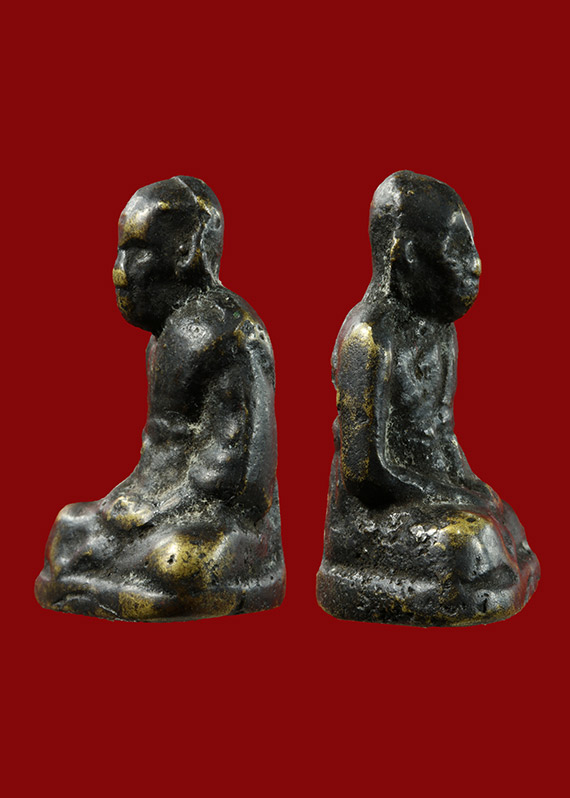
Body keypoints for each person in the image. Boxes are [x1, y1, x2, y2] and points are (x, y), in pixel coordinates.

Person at [36, 177, 285, 621]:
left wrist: (155, 510)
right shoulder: (162, 340)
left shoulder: (231, 333)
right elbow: (157, 457)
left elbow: (242, 481)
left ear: (187, 251)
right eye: (120, 252)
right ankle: (105, 577)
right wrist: (125, 503)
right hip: (157, 507)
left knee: (179, 561)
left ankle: (113, 578)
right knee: (69, 528)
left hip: (222, 522)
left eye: (137, 252)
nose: (120, 270)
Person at [317, 171, 539, 626]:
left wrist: (469, 486)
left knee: (505, 521)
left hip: (426, 492)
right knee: (471, 542)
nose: (475, 264)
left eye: (473, 247)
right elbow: (366, 473)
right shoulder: (370, 336)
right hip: (373, 515)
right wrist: (444, 494)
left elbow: (442, 435)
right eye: (458, 249)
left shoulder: (441, 333)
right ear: (410, 256)